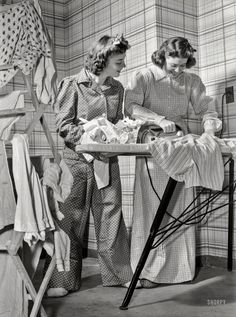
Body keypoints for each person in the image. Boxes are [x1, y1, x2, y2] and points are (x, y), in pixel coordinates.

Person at [124, 36, 222, 288]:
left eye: (183, 65)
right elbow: (130, 107)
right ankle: (148, 272)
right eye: (173, 64)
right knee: (152, 208)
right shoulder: (144, 76)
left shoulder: (192, 81)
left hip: (179, 143)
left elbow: (207, 109)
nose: (178, 70)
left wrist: (210, 130)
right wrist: (157, 117)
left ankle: (179, 271)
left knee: (179, 209)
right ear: (163, 56)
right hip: (152, 145)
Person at [46, 34, 135, 297]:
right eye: (119, 61)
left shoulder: (117, 89)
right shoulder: (72, 85)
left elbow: (117, 123)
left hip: (107, 161)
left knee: (111, 217)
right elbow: (63, 126)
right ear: (103, 59)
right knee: (69, 220)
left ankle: (118, 274)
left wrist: (122, 131)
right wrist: (87, 136)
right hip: (75, 163)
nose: (123, 65)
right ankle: (61, 281)